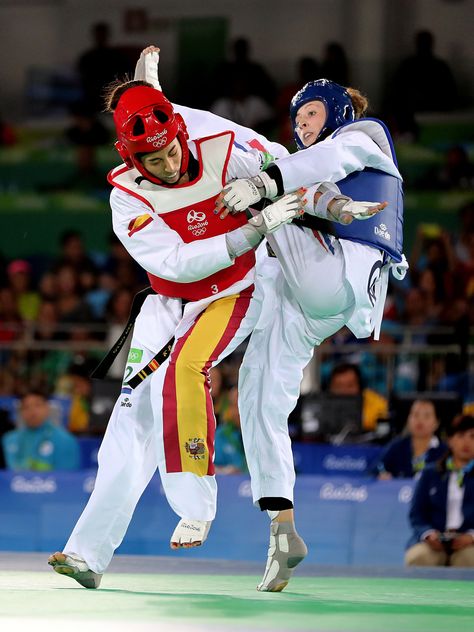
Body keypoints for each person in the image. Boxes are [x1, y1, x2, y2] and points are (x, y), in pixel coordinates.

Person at [131, 47, 404, 592]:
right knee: (257, 400)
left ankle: (160, 111)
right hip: (306, 295)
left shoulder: (363, 137)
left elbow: (323, 165)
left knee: (254, 163)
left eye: (312, 116)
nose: (303, 127)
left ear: (337, 112)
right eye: (298, 119)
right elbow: (305, 176)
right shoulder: (306, 160)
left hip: (340, 273)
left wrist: (260, 186)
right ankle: (283, 529)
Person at [47, 75, 307, 589]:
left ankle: (196, 506)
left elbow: (284, 162)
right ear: (129, 155)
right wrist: (252, 229)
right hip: (169, 301)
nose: (167, 167)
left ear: (179, 132)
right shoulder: (125, 194)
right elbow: (175, 262)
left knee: (184, 373)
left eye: (170, 153)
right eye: (153, 161)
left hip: (236, 292)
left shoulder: (222, 145)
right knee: (128, 420)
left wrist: (274, 192)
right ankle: (87, 555)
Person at [405, 414, 474, 567]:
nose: (467, 442)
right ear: (450, 440)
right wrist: (428, 534)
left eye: (472, 436)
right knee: (418, 558)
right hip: (434, 542)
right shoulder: (430, 473)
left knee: (469, 560)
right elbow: (417, 514)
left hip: (469, 544)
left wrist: (471, 537)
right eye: (461, 435)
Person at [2, 391, 80, 471]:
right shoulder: (8, 439)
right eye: (26, 407)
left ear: (47, 408)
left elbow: (68, 477)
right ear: (20, 412)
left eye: (37, 405)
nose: (32, 411)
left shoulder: (65, 439)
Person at [376, 399, 447, 479]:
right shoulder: (397, 447)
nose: (420, 420)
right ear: (408, 420)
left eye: (426, 416)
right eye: (415, 415)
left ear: (436, 423)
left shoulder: (444, 451)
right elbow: (378, 468)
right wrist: (381, 475)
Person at [327, 362, 388, 433]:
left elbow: (383, 429)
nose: (344, 391)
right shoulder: (322, 405)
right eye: (338, 386)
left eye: (350, 386)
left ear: (360, 387)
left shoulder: (377, 403)